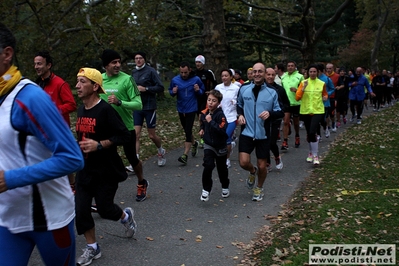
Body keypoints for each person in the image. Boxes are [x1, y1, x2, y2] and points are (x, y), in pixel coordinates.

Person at [0, 22, 84, 266]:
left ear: (7, 54)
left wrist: (10, 179)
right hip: (7, 219)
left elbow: (72, 158)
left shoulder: (31, 97)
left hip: (49, 219)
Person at [74, 68, 137, 266]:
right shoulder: (81, 109)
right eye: (77, 81)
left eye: (82, 82)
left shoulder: (106, 110)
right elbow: (82, 137)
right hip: (85, 170)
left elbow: (124, 136)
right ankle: (93, 247)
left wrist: (100, 145)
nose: (77, 86)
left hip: (106, 170)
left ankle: (125, 216)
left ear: (95, 86)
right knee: (81, 211)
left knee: (105, 209)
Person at [100, 49, 148, 202]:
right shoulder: (99, 80)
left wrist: (120, 102)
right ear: (106, 65)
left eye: (119, 61)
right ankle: (104, 196)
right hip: (106, 128)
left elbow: (138, 104)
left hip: (125, 127)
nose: (118, 65)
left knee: (132, 159)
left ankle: (141, 182)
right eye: (114, 62)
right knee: (105, 161)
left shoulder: (127, 79)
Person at [236, 62, 283, 201]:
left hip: (263, 134)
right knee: (243, 162)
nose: (257, 74)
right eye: (254, 71)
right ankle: (252, 171)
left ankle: (259, 188)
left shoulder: (272, 91)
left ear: (264, 73)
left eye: (260, 72)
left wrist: (270, 113)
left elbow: (280, 111)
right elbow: (239, 105)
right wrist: (240, 115)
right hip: (247, 132)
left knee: (262, 165)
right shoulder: (244, 89)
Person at [34, 50, 77, 192]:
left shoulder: (60, 83)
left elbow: (71, 104)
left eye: (40, 64)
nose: (37, 67)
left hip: (59, 129)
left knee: (64, 159)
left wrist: (53, 110)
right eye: (35, 64)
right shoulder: (37, 84)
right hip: (42, 130)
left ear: (49, 65)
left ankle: (72, 187)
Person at [132, 51, 166, 166]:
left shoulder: (151, 71)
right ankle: (135, 162)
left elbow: (160, 87)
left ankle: (161, 150)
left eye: (140, 58)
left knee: (151, 135)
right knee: (135, 135)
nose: (138, 60)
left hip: (149, 107)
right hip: (137, 106)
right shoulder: (133, 72)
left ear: (144, 60)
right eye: (136, 58)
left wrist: (146, 89)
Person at [168, 61, 205, 165]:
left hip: (192, 108)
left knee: (188, 130)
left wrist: (198, 90)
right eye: (181, 72)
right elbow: (170, 91)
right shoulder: (175, 80)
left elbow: (202, 91)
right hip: (181, 109)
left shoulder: (196, 79)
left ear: (189, 70)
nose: (183, 75)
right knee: (186, 130)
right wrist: (173, 92)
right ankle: (194, 143)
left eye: (185, 72)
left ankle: (185, 155)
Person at [199, 90, 229, 202]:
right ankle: (206, 190)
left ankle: (225, 185)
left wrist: (211, 121)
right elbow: (203, 123)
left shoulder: (220, 115)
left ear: (218, 103)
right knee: (208, 165)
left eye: (214, 101)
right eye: (209, 100)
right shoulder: (205, 113)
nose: (210, 103)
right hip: (208, 144)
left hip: (220, 145)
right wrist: (202, 130)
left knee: (222, 169)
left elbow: (222, 130)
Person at [295, 64, 328, 165]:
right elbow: (297, 97)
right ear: (308, 73)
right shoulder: (303, 83)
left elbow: (325, 94)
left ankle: (315, 155)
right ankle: (310, 152)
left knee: (313, 131)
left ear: (317, 72)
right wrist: (303, 88)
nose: (313, 73)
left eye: (314, 72)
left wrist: (325, 97)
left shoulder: (322, 83)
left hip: (318, 111)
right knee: (309, 133)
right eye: (311, 72)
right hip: (305, 111)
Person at [265, 68, 290, 171]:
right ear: (265, 75)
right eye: (268, 74)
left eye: (272, 75)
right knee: (264, 141)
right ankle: (267, 162)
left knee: (271, 142)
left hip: (275, 118)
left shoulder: (280, 89)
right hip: (263, 118)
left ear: (275, 76)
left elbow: (286, 104)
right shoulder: (260, 88)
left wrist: (281, 111)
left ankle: (277, 156)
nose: (270, 77)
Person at [214, 69, 240, 168]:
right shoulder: (218, 87)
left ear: (231, 77)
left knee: (225, 137)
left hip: (232, 117)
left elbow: (240, 100)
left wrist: (235, 102)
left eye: (226, 76)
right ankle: (226, 151)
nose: (224, 77)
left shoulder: (236, 88)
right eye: (222, 76)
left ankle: (226, 158)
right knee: (223, 138)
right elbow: (214, 98)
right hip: (220, 116)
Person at [281, 60, 304, 150]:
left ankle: (297, 136)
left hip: (296, 103)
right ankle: (285, 141)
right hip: (286, 103)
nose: (290, 67)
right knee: (285, 122)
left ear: (295, 67)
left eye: (292, 66)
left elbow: (304, 90)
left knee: (296, 123)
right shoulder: (283, 77)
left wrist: (297, 90)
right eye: (288, 66)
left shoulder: (300, 77)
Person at [194, 55, 216, 148]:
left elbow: (215, 83)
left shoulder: (208, 72)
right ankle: (204, 133)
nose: (198, 64)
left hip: (205, 98)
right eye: (196, 62)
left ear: (203, 63)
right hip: (195, 98)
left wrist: (211, 92)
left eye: (199, 62)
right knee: (199, 118)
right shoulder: (193, 73)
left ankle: (203, 137)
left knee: (201, 116)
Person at [326, 63, 340, 132]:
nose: (328, 70)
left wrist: (339, 87)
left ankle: (333, 123)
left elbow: (341, 84)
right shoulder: (324, 76)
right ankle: (328, 126)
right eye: (327, 69)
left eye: (330, 68)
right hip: (325, 97)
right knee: (326, 113)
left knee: (331, 113)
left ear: (333, 68)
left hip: (333, 97)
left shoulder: (337, 76)